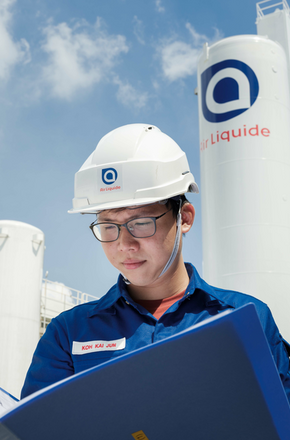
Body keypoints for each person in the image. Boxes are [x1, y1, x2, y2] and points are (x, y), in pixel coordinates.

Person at [21, 123, 290, 402]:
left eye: (140, 223)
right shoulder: (69, 332)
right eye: (108, 226)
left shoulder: (248, 318)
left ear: (184, 217)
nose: (124, 244)